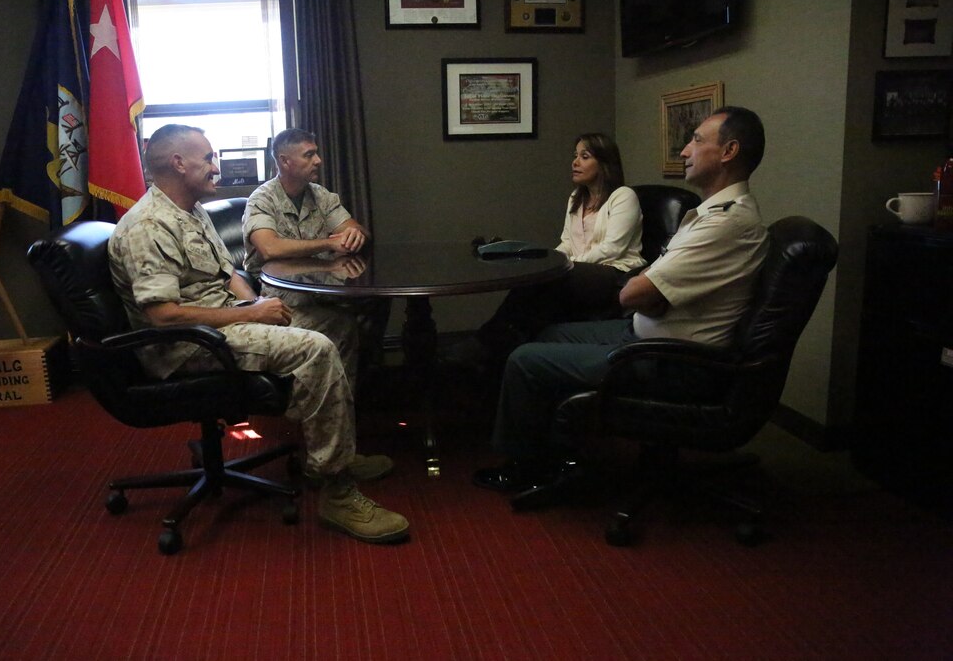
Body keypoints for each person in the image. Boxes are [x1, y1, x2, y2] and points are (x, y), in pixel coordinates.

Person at [108, 124, 408, 544]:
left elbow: (228, 273)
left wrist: (255, 308)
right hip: (185, 346)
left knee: (336, 325)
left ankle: (332, 450)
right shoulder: (149, 227)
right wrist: (251, 314)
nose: (217, 167)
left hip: (223, 322)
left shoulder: (190, 211)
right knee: (314, 349)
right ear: (178, 163)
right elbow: (164, 316)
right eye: (209, 158)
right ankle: (336, 490)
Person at [474, 106, 770, 495]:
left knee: (525, 359)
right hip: (643, 332)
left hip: (668, 358)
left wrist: (650, 295)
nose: (684, 151)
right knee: (548, 331)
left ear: (729, 151)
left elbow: (633, 291)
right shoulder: (708, 215)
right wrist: (653, 296)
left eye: (696, 140)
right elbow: (650, 290)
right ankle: (565, 449)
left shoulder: (726, 223)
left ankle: (527, 466)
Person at [452, 133, 645, 367]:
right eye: (575, 156)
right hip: (578, 271)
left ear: (604, 163)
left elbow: (612, 248)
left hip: (613, 273)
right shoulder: (576, 198)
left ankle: (486, 341)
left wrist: (566, 265)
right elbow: (566, 242)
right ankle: (506, 347)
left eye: (585, 156)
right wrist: (549, 262)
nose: (575, 162)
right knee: (533, 281)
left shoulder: (623, 197)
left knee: (549, 281)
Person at [242, 128, 381, 390]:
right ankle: (327, 399)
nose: (318, 160)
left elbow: (358, 231)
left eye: (316, 153)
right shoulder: (261, 199)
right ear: (285, 161)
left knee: (377, 305)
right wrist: (329, 243)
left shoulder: (321, 195)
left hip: (327, 290)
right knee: (344, 326)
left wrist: (355, 235)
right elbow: (269, 249)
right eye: (310, 154)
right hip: (284, 299)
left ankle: (351, 394)